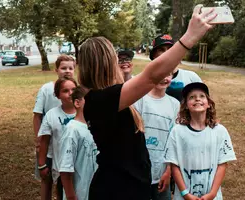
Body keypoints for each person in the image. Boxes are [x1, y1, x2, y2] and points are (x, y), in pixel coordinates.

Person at [77, 5, 216, 200]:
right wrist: (189, 37)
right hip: (117, 191)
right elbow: (151, 76)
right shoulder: (100, 99)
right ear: (107, 62)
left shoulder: (106, 98)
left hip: (128, 188)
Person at [164, 82, 237, 200]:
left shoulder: (220, 131)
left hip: (212, 196)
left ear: (209, 104)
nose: (197, 99)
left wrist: (212, 194)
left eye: (202, 96)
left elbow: (222, 164)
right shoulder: (177, 132)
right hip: (184, 196)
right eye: (192, 97)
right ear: (186, 105)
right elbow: (174, 165)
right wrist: (185, 194)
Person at [33, 55, 76, 200]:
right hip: (49, 147)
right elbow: (37, 115)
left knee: (64, 182)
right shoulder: (46, 89)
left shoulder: (75, 90)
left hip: (66, 147)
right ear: (56, 70)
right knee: (47, 179)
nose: (67, 71)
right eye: (63, 68)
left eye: (70, 68)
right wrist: (39, 141)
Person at [134, 73, 180, 200]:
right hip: (139, 171)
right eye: (161, 73)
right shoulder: (140, 100)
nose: (164, 78)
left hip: (162, 171)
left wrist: (168, 171)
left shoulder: (175, 104)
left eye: (168, 74)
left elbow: (174, 141)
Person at [59, 86, 98, 200]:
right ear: (77, 103)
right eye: (90, 100)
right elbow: (66, 170)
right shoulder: (72, 130)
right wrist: (71, 196)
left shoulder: (95, 127)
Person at [149, 34, 202, 102]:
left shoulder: (192, 78)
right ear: (154, 56)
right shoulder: (147, 81)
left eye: (170, 49)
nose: (167, 52)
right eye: (161, 50)